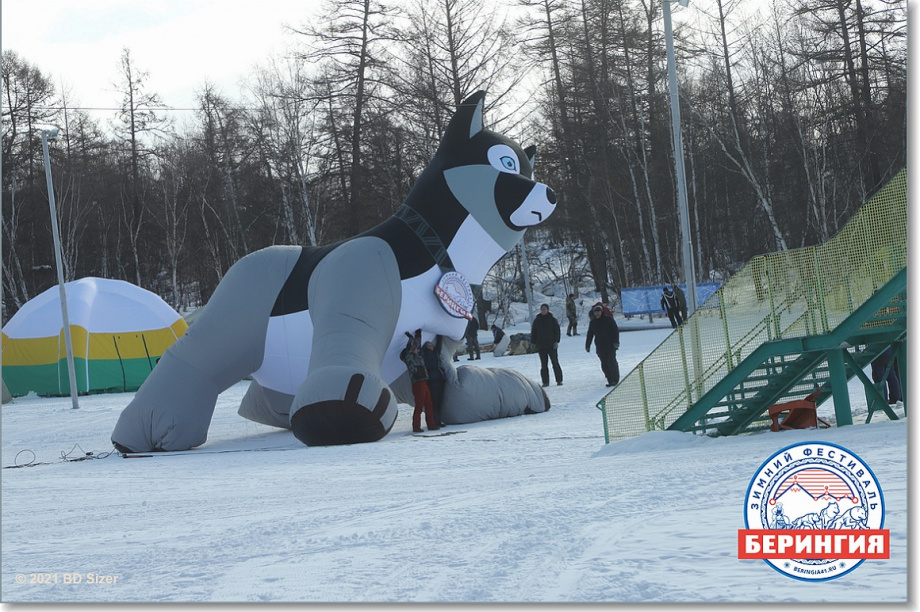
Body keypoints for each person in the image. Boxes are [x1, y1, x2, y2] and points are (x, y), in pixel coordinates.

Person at [399, 331, 439, 433]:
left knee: (429, 404)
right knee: (420, 406)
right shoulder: (409, 358)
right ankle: (416, 427)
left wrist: (418, 335)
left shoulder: (417, 356)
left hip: (424, 382)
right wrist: (411, 338)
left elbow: (417, 345)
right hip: (418, 383)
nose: (415, 349)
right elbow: (411, 347)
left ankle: (431, 425)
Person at [585, 303, 620, 387]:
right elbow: (590, 334)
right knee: (604, 363)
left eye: (598, 311)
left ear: (602, 312)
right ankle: (609, 379)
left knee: (611, 362)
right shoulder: (593, 322)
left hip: (611, 345)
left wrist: (616, 342)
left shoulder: (609, 320)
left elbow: (615, 331)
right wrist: (587, 345)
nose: (597, 313)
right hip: (600, 346)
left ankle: (615, 379)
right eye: (595, 312)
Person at [531, 303, 563, 387]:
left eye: (544, 309)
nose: (543, 311)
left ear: (548, 310)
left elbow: (557, 331)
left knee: (555, 363)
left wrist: (556, 341)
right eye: (542, 309)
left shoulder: (552, 320)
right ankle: (545, 382)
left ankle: (559, 380)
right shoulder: (537, 320)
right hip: (541, 346)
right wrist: (533, 343)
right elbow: (534, 332)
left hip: (551, 345)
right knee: (543, 365)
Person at [421, 337, 446, 427]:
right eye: (429, 346)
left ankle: (438, 420)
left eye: (431, 345)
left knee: (438, 402)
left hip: (439, 379)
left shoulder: (435, 353)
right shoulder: (425, 355)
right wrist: (418, 336)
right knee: (434, 403)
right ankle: (435, 421)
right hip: (432, 381)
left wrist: (439, 337)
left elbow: (439, 347)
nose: (431, 347)